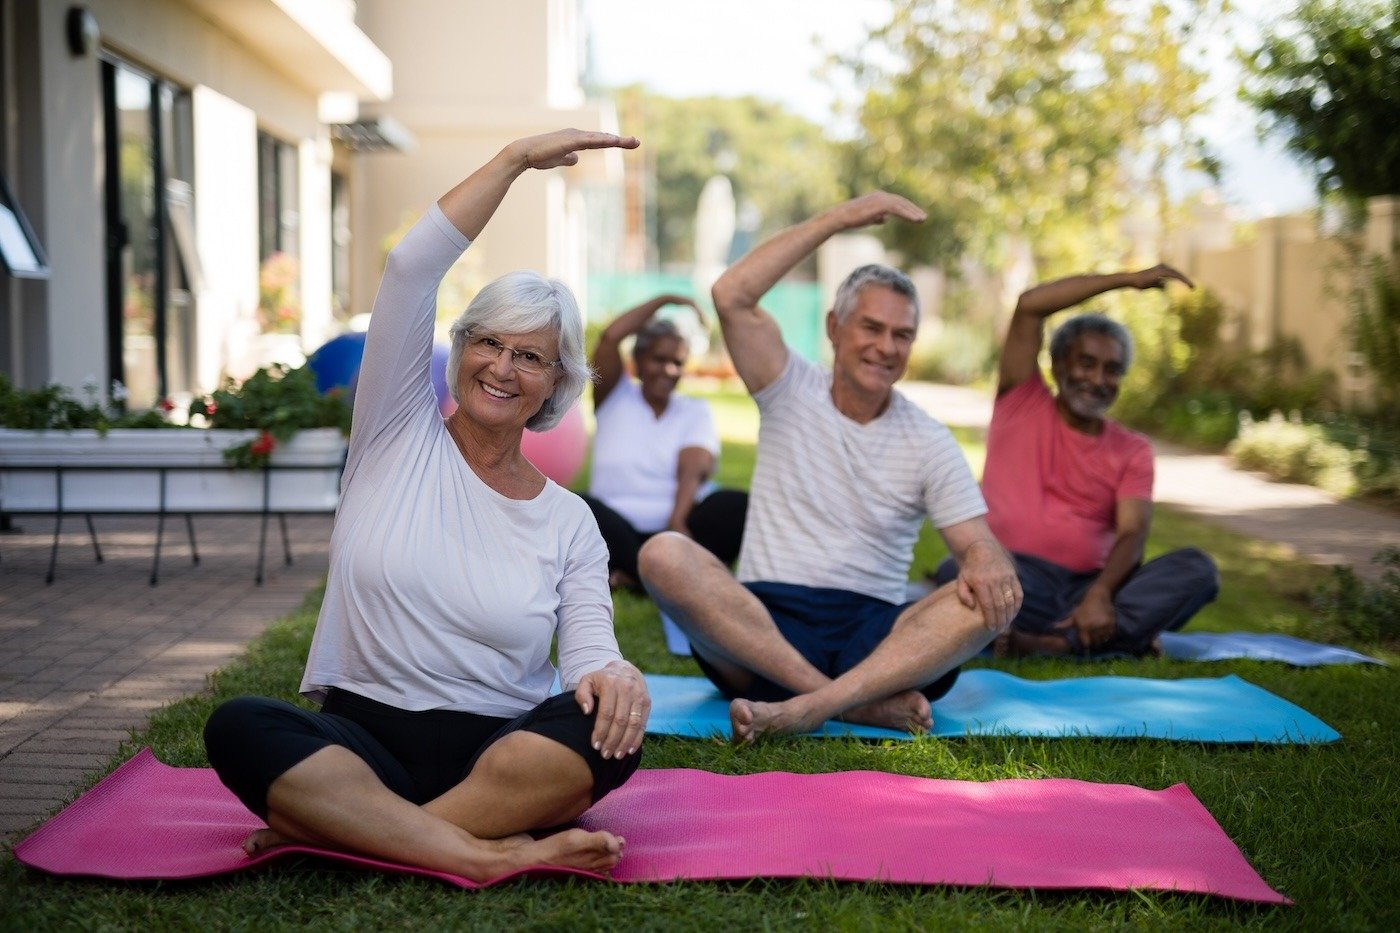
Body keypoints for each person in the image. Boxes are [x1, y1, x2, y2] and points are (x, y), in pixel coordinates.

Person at [202, 130, 650, 882]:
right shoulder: (393, 430)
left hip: (499, 753)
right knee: (239, 724)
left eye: (531, 356)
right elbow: (412, 266)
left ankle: (344, 831)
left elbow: (586, 651)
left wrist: (617, 673)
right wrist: (512, 160)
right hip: (361, 739)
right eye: (488, 343)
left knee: (612, 729)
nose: (502, 368)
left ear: (554, 384)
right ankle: (485, 852)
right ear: (462, 345)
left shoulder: (570, 519)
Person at [637, 192, 1022, 743]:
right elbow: (732, 295)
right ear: (835, 328)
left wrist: (987, 560)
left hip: (877, 639)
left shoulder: (929, 439)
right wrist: (841, 218)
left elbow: (977, 545)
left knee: (986, 599)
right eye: (871, 327)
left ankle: (812, 705)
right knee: (662, 554)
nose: (885, 347)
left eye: (902, 334)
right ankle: (850, 705)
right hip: (765, 631)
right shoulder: (788, 386)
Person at [935, 265, 1220, 657]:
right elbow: (1029, 306)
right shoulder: (1020, 399)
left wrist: (1101, 593)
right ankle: (1111, 639)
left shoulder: (1132, 448)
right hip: (1014, 576)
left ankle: (1050, 643)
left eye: (1112, 370)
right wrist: (1126, 281)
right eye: (1087, 363)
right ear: (1058, 365)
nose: (1098, 379)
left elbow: (1132, 533)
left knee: (1197, 570)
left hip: (1091, 586)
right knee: (955, 572)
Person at [583, 295, 747, 590]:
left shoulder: (694, 410)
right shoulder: (613, 397)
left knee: (738, 505)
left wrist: (677, 521)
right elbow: (610, 337)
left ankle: (637, 577)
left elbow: (694, 466)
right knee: (579, 507)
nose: (669, 370)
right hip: (618, 530)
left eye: (678, 363)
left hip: (677, 531)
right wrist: (667, 300)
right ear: (639, 360)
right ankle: (665, 577)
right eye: (660, 359)